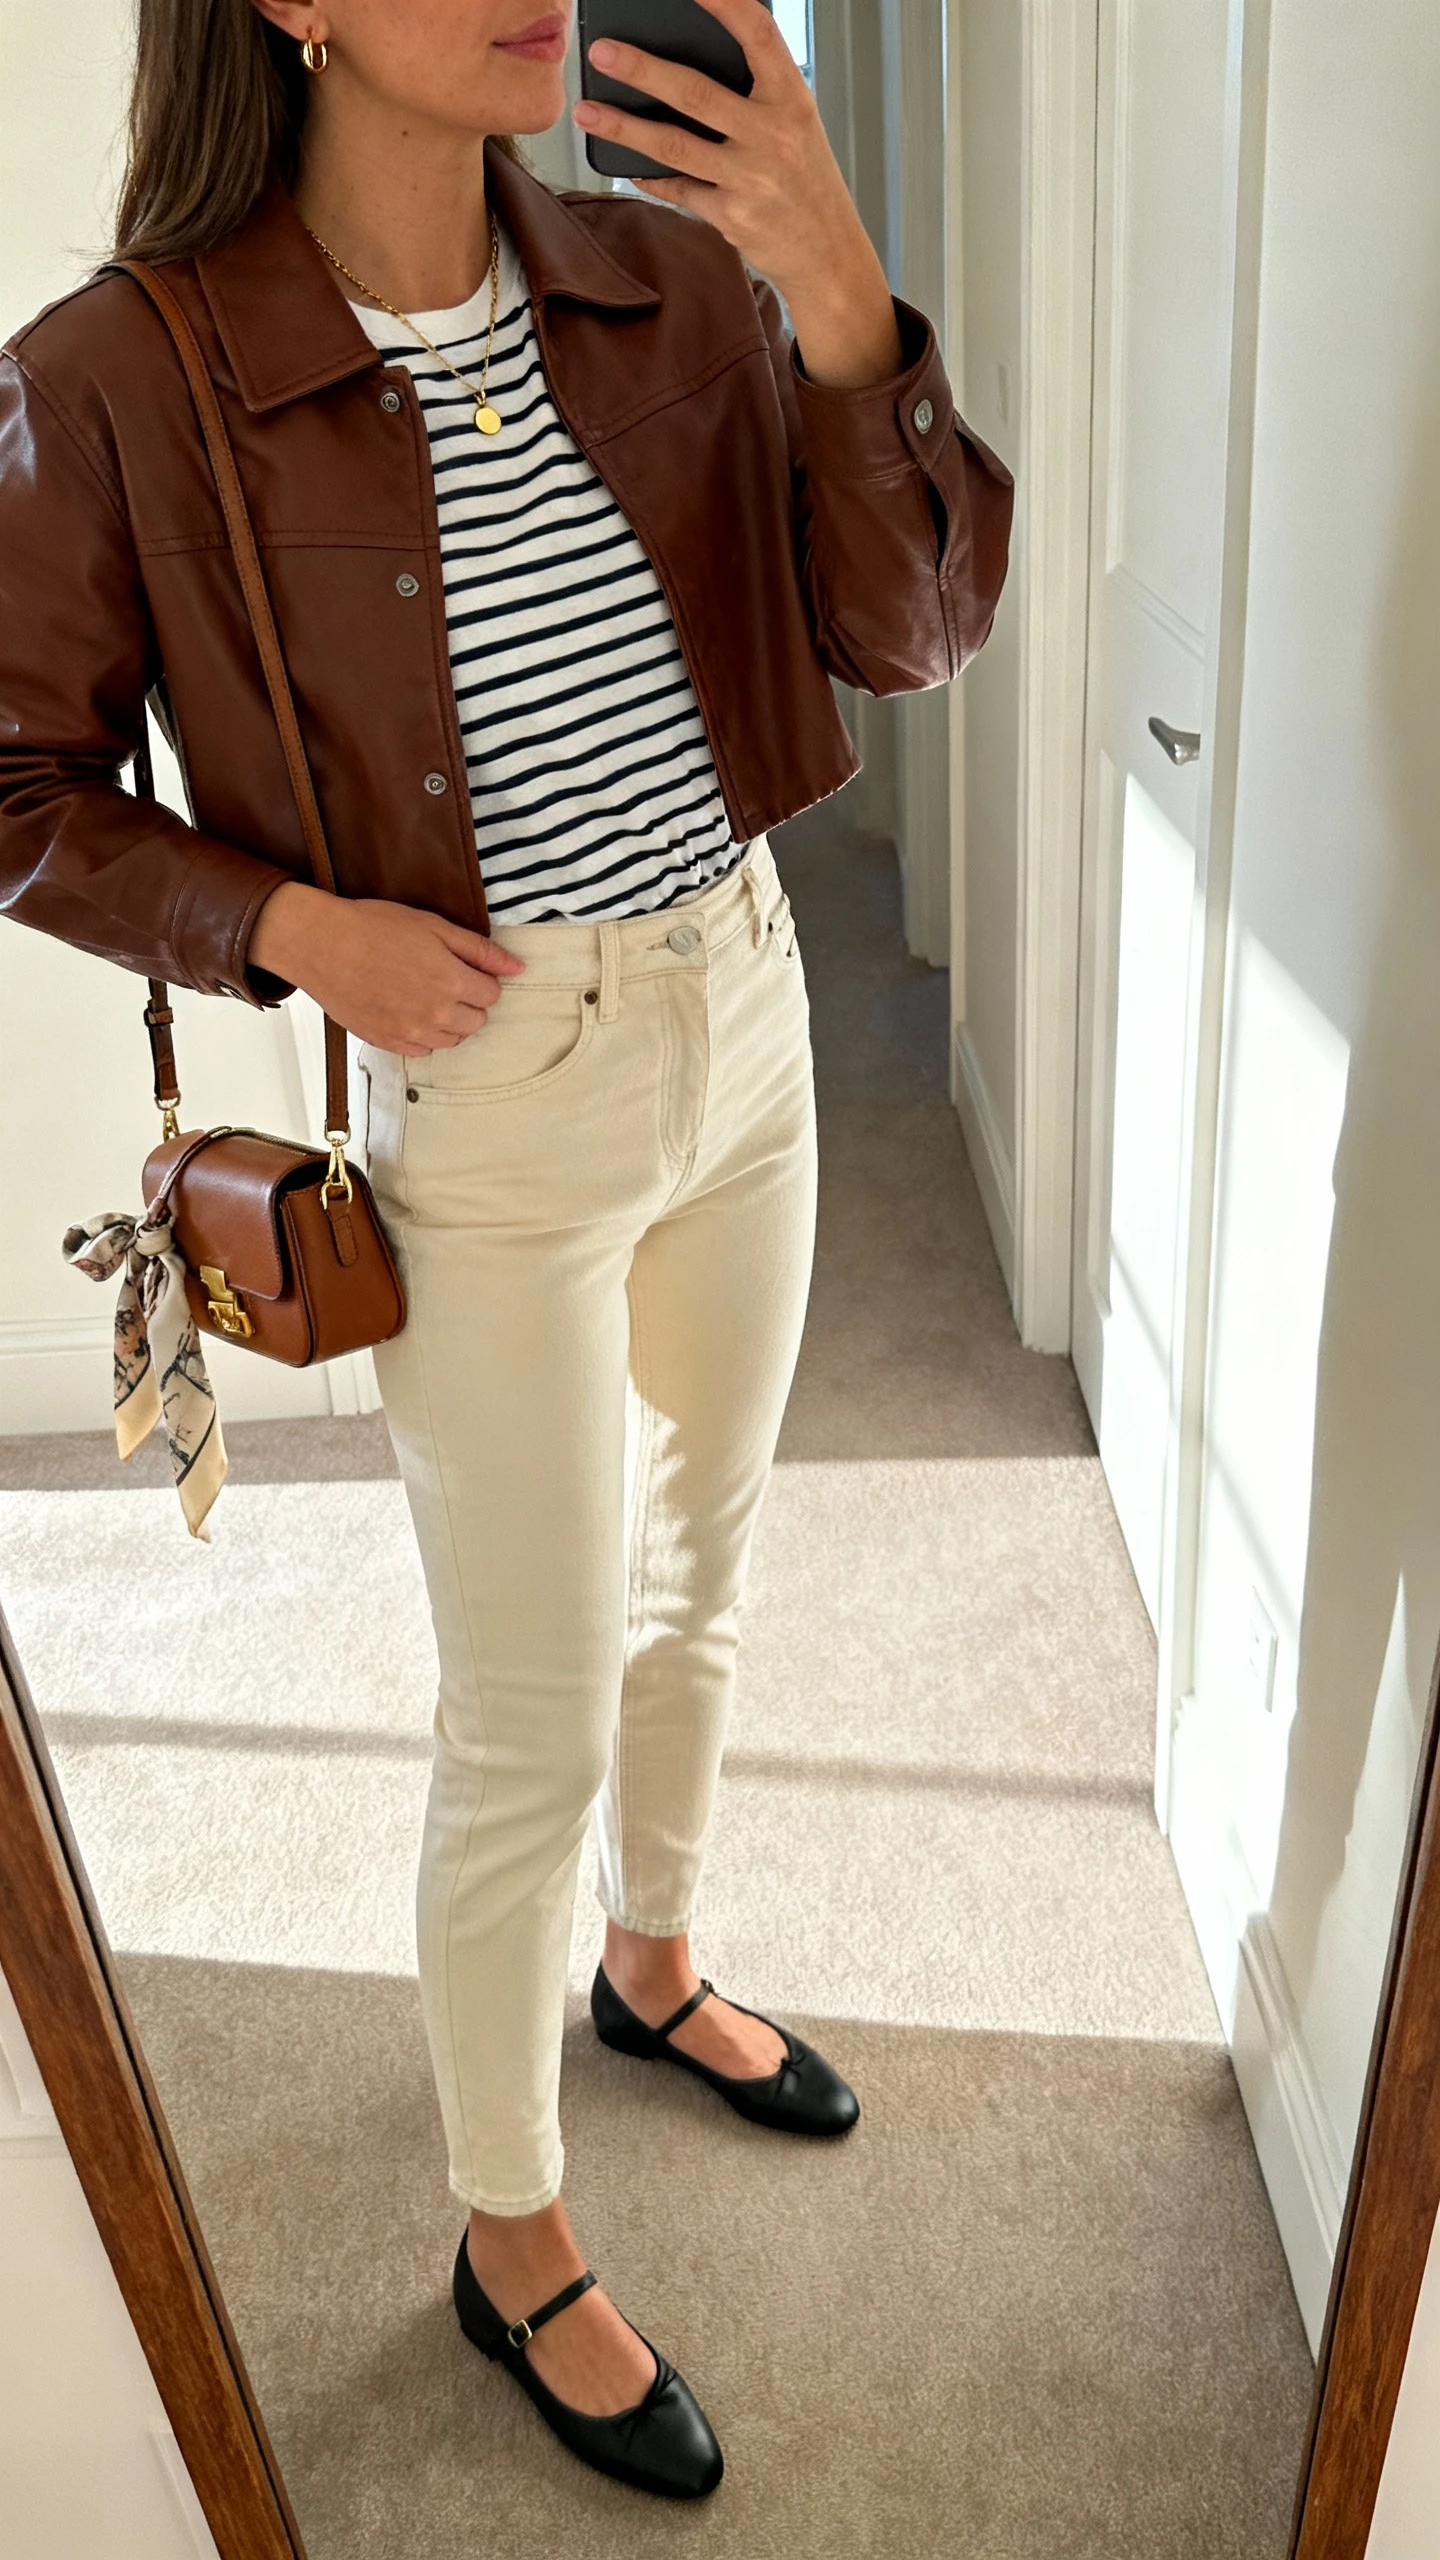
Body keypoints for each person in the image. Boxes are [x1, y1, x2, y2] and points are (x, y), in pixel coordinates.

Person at [0, 0, 1011, 2501]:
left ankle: (651, 1965)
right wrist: (282, 932)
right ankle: (508, 2231)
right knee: (524, 1710)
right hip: (494, 1091)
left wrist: (849, 306)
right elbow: (11, 781)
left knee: (712, 1566)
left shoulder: (670, 279)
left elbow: (915, 637)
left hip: (747, 1007)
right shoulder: (127, 368)